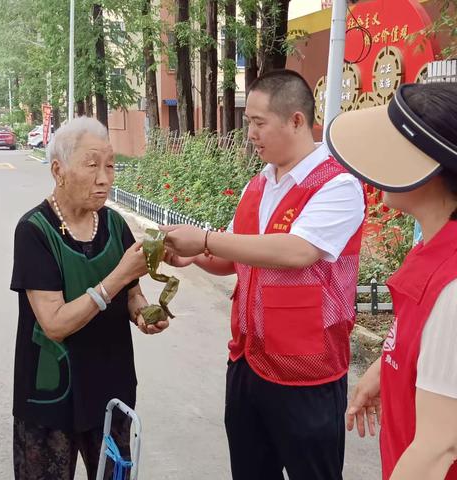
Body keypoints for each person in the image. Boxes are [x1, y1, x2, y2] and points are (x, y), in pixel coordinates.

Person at [161, 69, 366, 479]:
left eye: (258, 123)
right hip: (249, 360)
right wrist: (194, 255)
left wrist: (204, 238)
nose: (250, 134)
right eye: (247, 123)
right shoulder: (259, 184)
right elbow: (235, 256)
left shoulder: (338, 186)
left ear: (296, 120)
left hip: (308, 370)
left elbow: (297, 251)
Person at [11, 116, 169, 480]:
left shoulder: (114, 224)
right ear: (58, 170)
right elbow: (54, 324)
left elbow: (133, 293)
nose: (105, 178)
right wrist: (119, 277)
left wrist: (143, 313)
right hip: (50, 396)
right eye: (92, 165)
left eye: (110, 166)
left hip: (110, 389)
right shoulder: (34, 231)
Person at [327, 82, 457, 479]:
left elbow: (440, 447)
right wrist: (387, 366)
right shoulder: (432, 248)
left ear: (431, 167)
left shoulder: (451, 286)